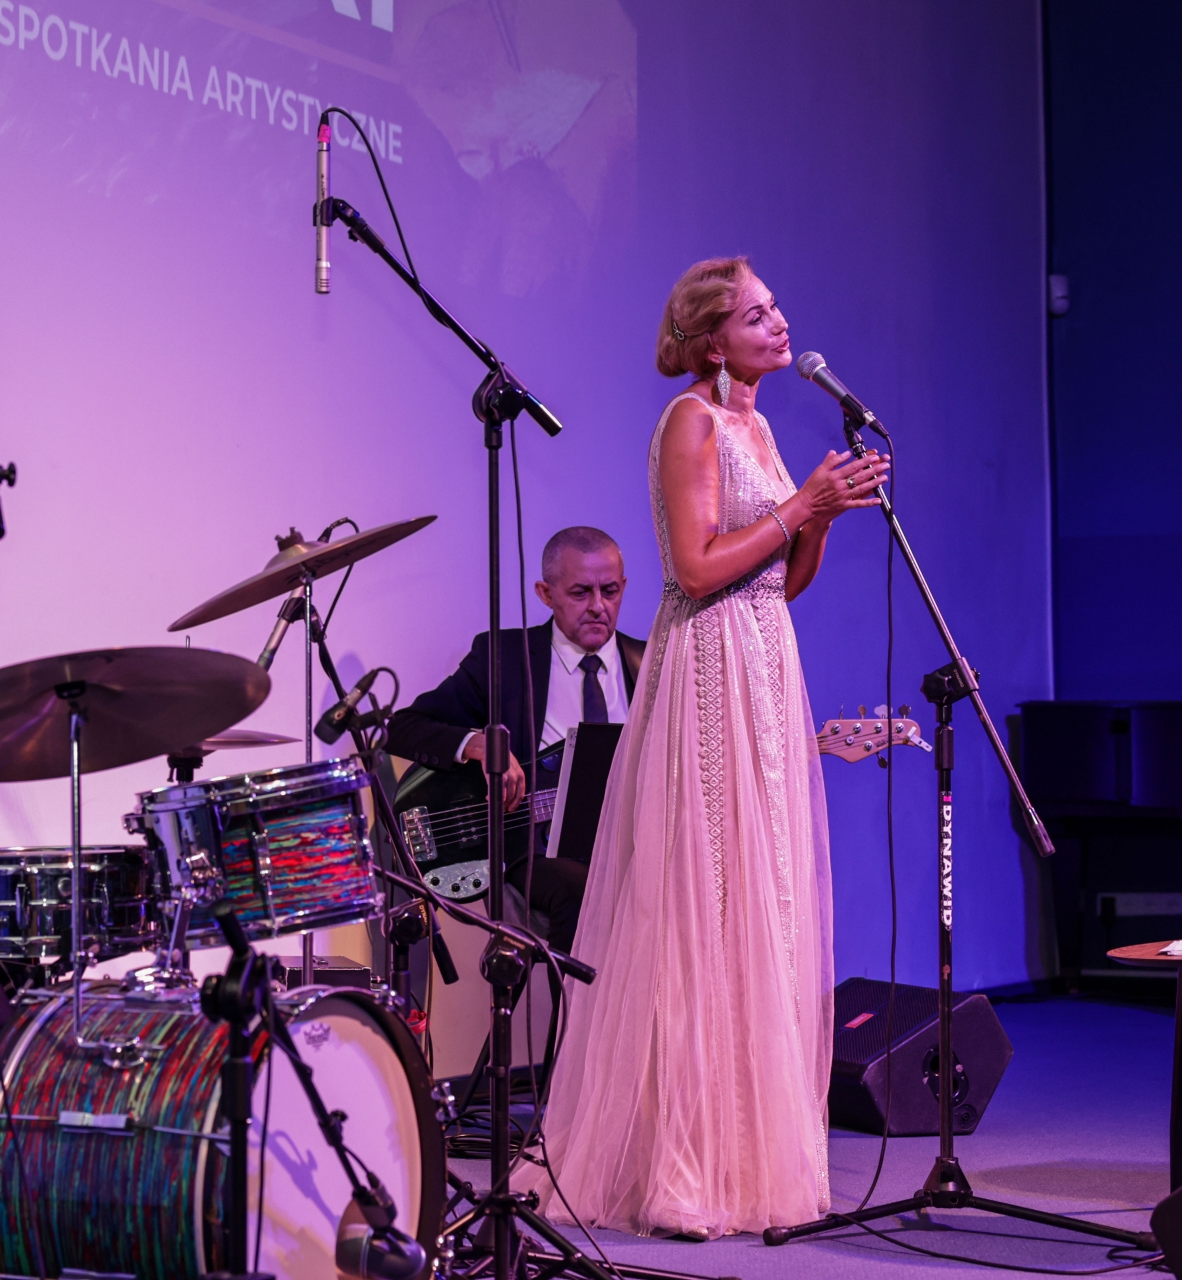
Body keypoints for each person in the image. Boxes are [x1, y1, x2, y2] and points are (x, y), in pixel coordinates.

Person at [513, 258, 887, 1238]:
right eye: (758, 315)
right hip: (710, 669)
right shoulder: (691, 421)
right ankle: (682, 1161)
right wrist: (800, 507)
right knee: (704, 899)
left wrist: (820, 520)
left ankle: (750, 1152)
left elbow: (778, 582)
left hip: (767, 659)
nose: (780, 323)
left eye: (776, 308)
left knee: (765, 898)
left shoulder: (760, 428)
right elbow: (693, 569)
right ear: (713, 339)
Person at [385, 526, 644, 952]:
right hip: (534, 851)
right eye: (580, 593)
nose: (599, 606)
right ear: (546, 593)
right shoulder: (505, 658)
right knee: (582, 889)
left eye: (610, 591)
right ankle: (576, 1002)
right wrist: (479, 745)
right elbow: (403, 727)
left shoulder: (652, 664)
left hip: (632, 846)